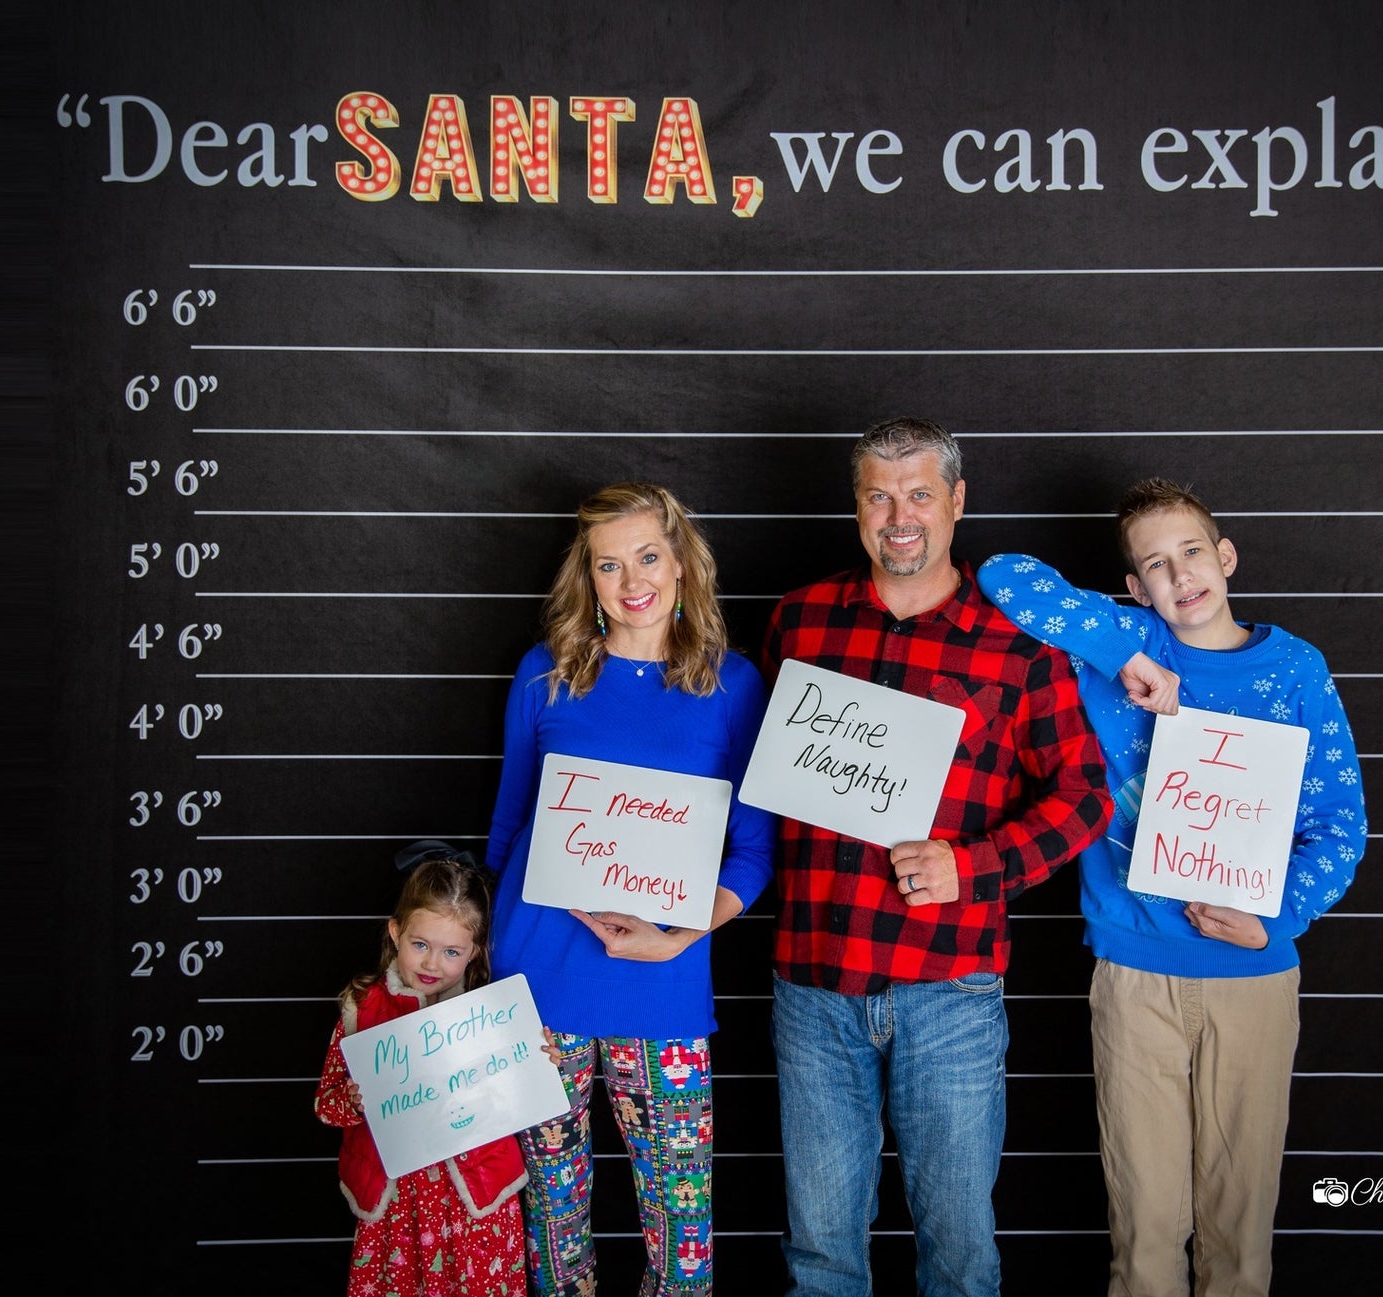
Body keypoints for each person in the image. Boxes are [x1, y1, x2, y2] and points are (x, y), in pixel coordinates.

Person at [976, 476, 1369, 1297]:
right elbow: (1005, 578)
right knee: (1146, 1226)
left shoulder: (1294, 668)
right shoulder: (1119, 639)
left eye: (1192, 552)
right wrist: (1130, 653)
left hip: (1254, 973)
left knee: (1239, 1227)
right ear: (1134, 587)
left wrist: (1279, 917)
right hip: (1134, 970)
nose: (1179, 574)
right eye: (1155, 564)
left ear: (1225, 557)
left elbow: (1340, 822)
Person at [761, 416, 1115, 1297]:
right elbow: (745, 773)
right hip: (813, 982)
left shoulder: (1019, 642)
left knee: (959, 1250)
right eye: (879, 496)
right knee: (819, 1253)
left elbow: (1084, 795)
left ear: (957, 502)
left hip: (949, 984)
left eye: (919, 493)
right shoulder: (799, 620)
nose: (899, 516)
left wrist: (975, 865)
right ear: (856, 507)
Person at [482, 481, 776, 1297]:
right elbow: (508, 830)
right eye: (608, 564)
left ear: (681, 564)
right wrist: (488, 966)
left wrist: (685, 933)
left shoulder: (732, 684)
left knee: (682, 1243)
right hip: (538, 988)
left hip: (663, 987)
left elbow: (752, 851)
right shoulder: (545, 673)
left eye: (647, 555)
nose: (631, 579)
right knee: (552, 1227)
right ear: (589, 577)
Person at [313, 846, 530, 1297]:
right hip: (398, 1206)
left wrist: (539, 1059)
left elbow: (523, 1097)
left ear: (474, 952)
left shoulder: (495, 1015)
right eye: (420, 945)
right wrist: (352, 1101)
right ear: (395, 933)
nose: (433, 964)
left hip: (476, 1203)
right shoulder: (362, 1010)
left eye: (451, 951)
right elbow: (326, 1105)